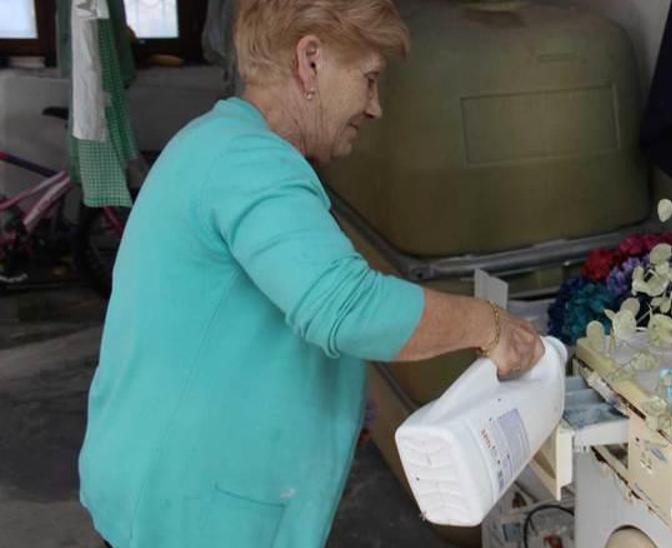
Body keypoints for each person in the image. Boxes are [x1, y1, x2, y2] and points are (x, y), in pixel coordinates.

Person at [77, 1, 545, 546]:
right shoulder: (249, 162)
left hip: (172, 496)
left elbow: (272, 307)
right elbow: (347, 308)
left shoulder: (220, 144)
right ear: (311, 61)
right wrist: (489, 325)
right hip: (191, 517)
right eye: (369, 79)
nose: (375, 108)